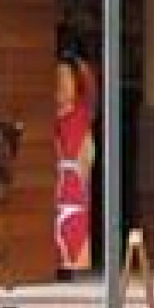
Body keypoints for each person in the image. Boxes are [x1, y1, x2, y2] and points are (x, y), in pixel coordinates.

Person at [51, 43, 96, 278]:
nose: (62, 84)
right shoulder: (50, 113)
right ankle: (56, 262)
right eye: (58, 79)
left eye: (67, 78)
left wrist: (75, 60)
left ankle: (71, 265)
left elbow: (91, 86)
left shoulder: (82, 108)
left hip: (76, 169)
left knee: (74, 215)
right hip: (56, 169)